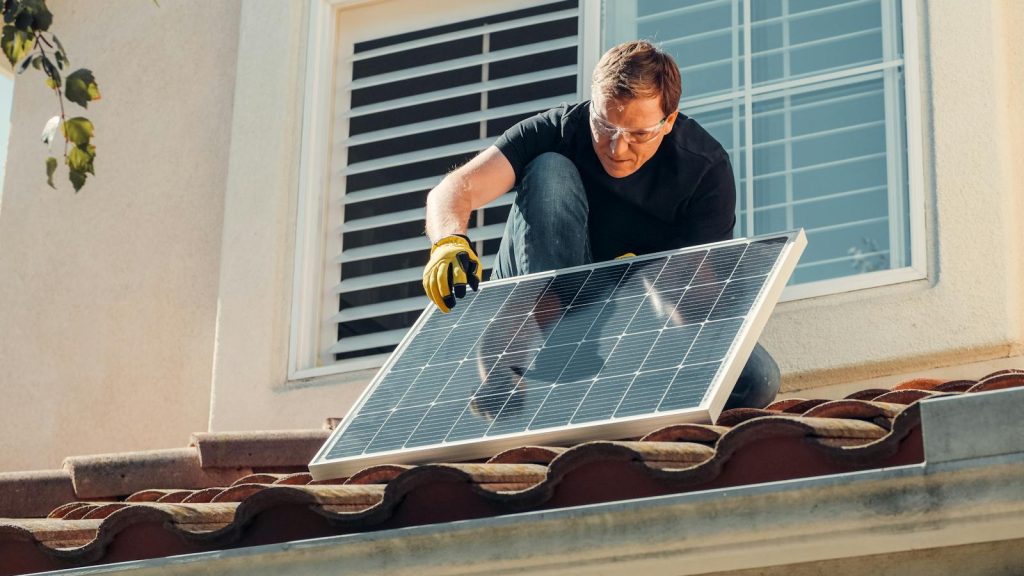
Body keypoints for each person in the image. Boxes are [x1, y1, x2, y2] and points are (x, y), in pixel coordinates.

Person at [421, 40, 780, 410]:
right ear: (592, 105)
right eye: (604, 125)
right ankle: (538, 344)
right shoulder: (559, 130)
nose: (616, 148)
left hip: (635, 319)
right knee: (550, 169)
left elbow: (705, 309)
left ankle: (607, 367)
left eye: (639, 134)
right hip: (548, 303)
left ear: (669, 121)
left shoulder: (703, 170)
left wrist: (667, 284)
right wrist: (448, 242)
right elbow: (454, 189)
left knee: (755, 379)